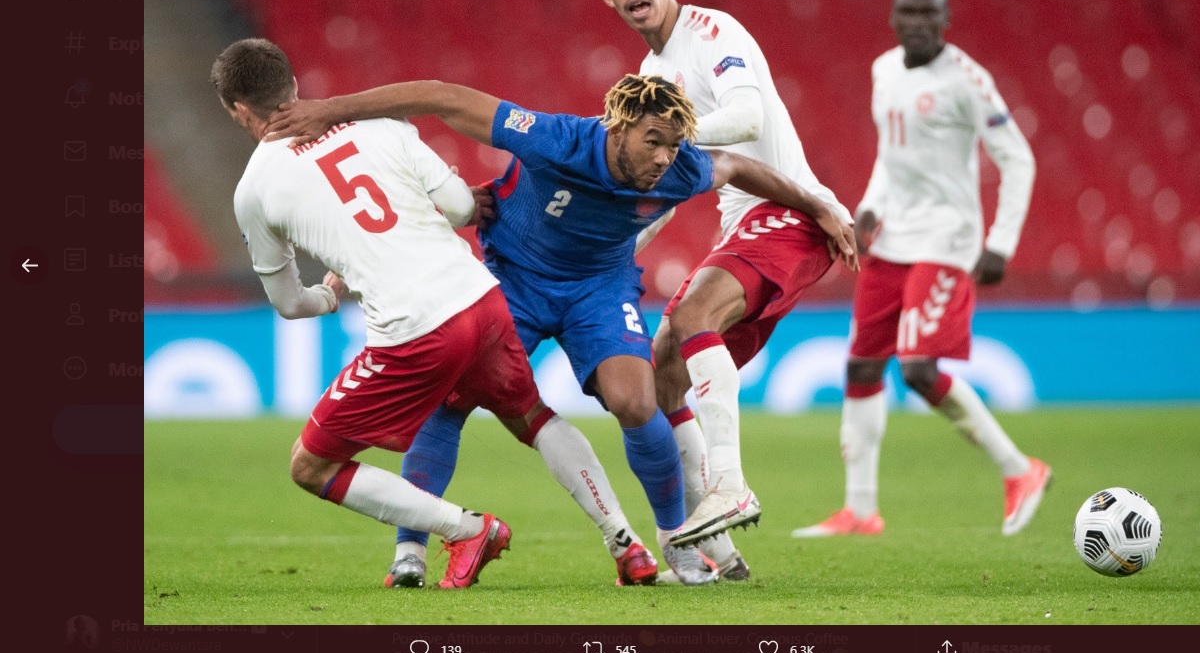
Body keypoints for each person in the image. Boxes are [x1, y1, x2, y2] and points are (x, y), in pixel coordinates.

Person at [264, 74, 856, 586]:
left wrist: (818, 205)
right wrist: (329, 110)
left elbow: (737, 165)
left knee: (635, 399)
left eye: (673, 146)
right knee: (448, 401)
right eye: (652, 141)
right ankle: (411, 549)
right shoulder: (555, 138)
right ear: (617, 127)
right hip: (514, 284)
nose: (662, 159)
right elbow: (442, 97)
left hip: (598, 290)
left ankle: (675, 535)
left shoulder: (677, 169)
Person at [214, 37, 540, 589]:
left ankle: (466, 529)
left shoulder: (254, 189)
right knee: (532, 417)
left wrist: (329, 294)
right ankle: (626, 539)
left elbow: (290, 304)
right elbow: (462, 207)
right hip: (482, 299)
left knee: (310, 466)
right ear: (293, 85)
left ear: (239, 110)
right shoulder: (379, 125)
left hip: (415, 331)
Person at [592, 0, 856, 568]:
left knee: (690, 318)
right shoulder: (650, 78)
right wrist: (609, 250)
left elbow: (747, 120)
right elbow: (667, 187)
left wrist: (658, 136)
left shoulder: (713, 33)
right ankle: (720, 548)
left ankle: (730, 489)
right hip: (744, 226)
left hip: (790, 212)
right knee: (663, 373)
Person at [791, 0, 1051, 539]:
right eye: (907, 14)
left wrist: (1000, 243)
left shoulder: (967, 80)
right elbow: (893, 153)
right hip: (895, 238)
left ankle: (1020, 469)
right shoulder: (883, 71)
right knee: (861, 366)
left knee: (917, 369)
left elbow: (1018, 158)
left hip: (947, 240)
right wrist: (867, 209)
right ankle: (860, 510)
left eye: (928, 16)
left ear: (944, 20)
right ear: (893, 17)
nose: (916, 25)